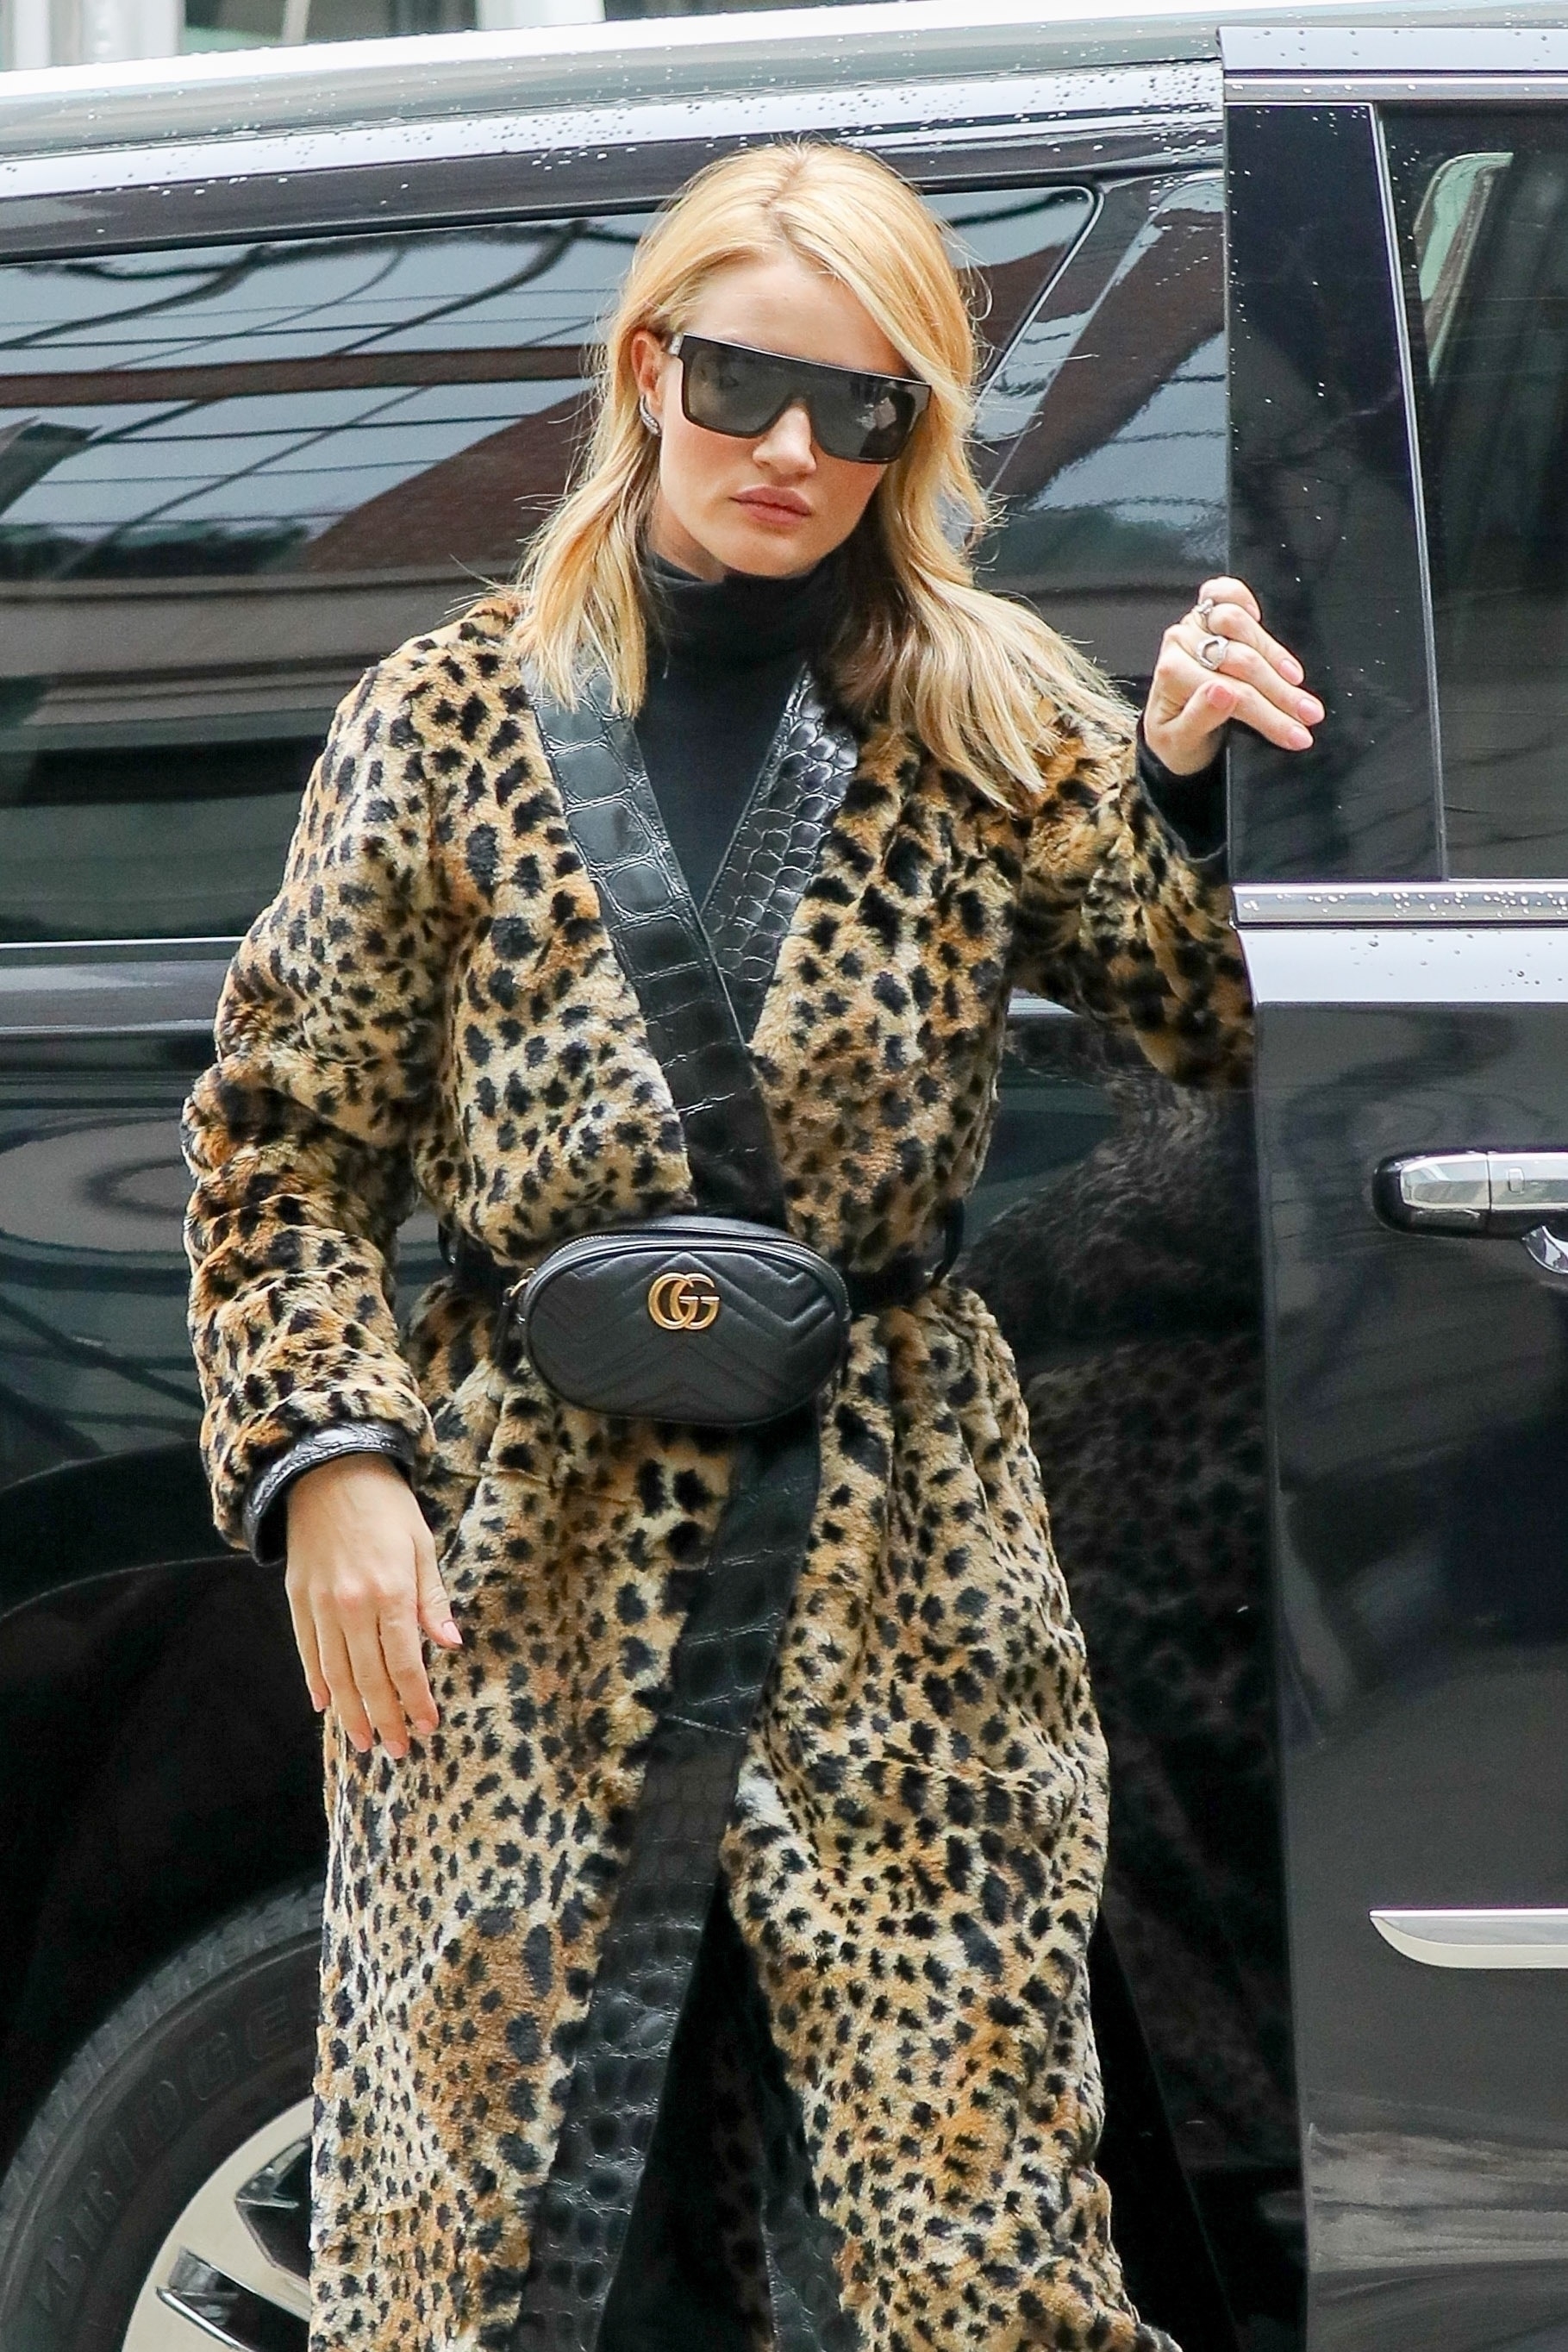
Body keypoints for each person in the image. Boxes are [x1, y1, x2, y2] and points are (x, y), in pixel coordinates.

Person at [182, 141, 1321, 2352]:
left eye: (859, 406)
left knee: (964, 2241)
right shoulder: (443, 716)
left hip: (897, 1562)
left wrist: (1185, 781)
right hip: (516, 1578)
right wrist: (331, 1459)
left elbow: (1205, 1023)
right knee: (511, 2254)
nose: (791, 447)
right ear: (648, 369)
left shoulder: (992, 711)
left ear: (915, 431)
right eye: (741, 383)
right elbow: (282, 1136)